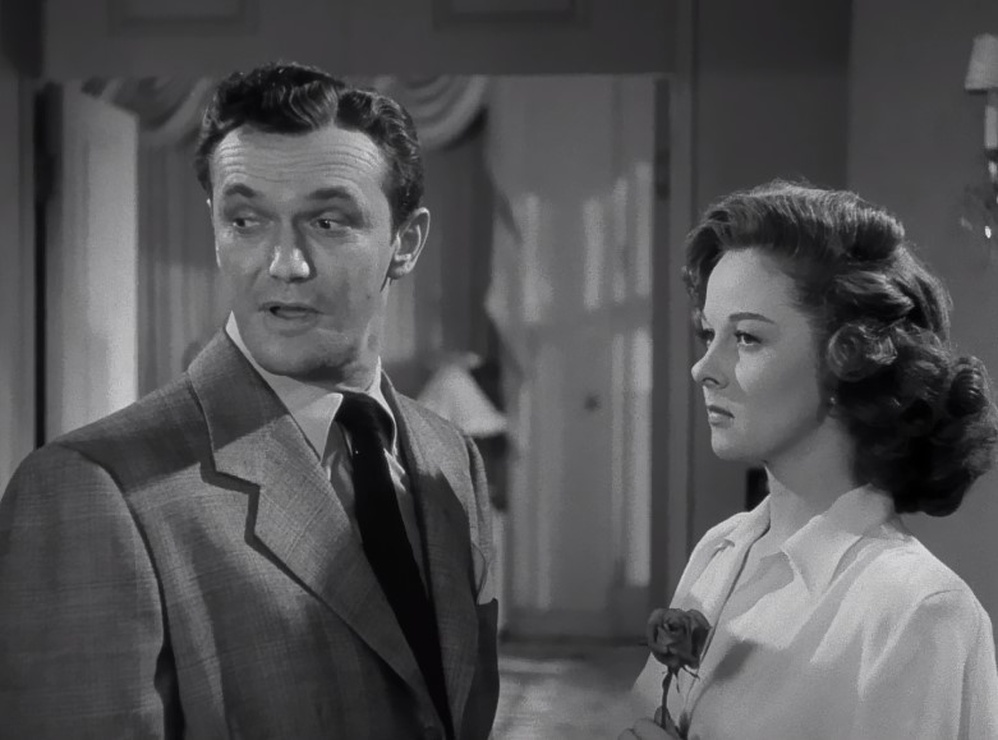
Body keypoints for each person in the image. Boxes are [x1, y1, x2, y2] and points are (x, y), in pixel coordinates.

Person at [0, 62, 499, 739]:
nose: (285, 264)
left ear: (405, 244)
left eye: (328, 221)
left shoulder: (451, 457)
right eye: (246, 220)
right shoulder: (94, 490)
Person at [620, 181, 998, 739]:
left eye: (746, 338)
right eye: (709, 334)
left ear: (851, 357)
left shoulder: (918, 610)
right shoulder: (722, 549)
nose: (703, 368)